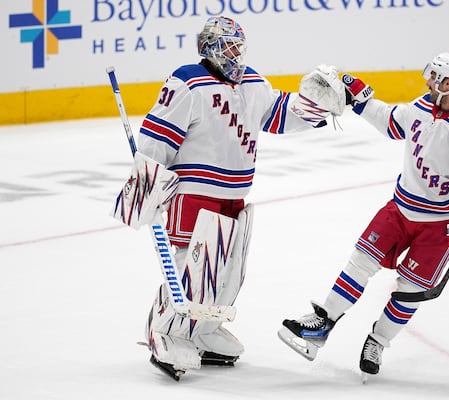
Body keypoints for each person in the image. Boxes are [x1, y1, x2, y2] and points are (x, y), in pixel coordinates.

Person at [112, 16, 345, 380]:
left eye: (239, 45)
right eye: (228, 46)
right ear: (209, 47)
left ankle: (203, 332)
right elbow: (155, 141)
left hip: (235, 196)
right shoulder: (187, 81)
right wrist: (148, 186)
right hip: (194, 195)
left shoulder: (253, 81)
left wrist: (313, 106)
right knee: (194, 269)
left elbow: (279, 115)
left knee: (229, 273)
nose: (236, 53)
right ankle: (165, 331)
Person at [278, 53, 449, 377]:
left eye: (435, 76)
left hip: (438, 225)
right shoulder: (422, 106)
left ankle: (378, 340)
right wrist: (361, 99)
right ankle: (323, 322)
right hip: (400, 209)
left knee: (410, 289)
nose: (428, 80)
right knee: (361, 261)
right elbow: (393, 122)